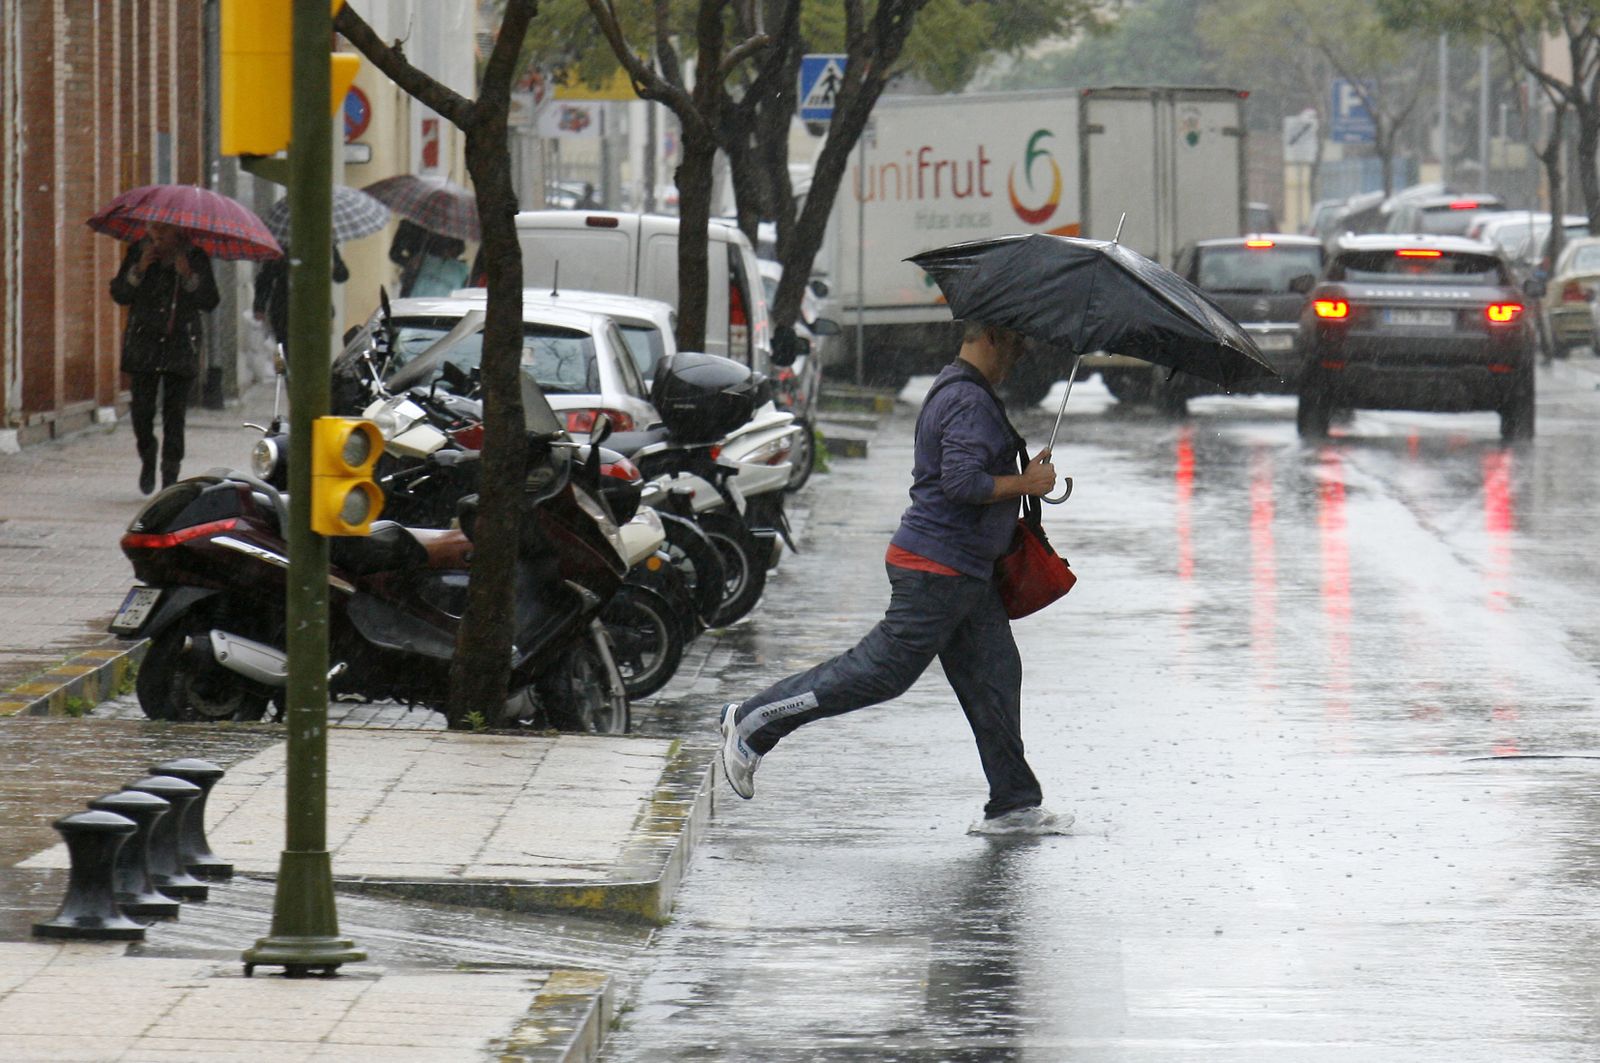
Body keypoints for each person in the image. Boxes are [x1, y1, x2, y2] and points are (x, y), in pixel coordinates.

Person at [717, 320, 1071, 836]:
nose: (1023, 349)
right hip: (939, 570)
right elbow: (961, 482)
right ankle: (753, 722)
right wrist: (1026, 482)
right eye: (1017, 339)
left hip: (964, 570)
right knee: (881, 673)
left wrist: (1021, 473)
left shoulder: (961, 388)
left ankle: (1014, 802)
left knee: (994, 678)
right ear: (990, 335)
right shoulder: (969, 400)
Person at [110, 222, 219, 494]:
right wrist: (139, 269)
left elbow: (210, 300)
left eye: (163, 231)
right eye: (153, 230)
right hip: (144, 343)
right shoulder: (139, 251)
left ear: (178, 232)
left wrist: (189, 276)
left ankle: (170, 474)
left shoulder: (194, 257)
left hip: (181, 345)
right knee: (142, 411)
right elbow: (120, 293)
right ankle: (148, 454)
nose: (156, 237)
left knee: (175, 415)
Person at [252, 244, 349, 361]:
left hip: (317, 311)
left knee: (314, 357)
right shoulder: (281, 247)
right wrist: (259, 306)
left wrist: (334, 267)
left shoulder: (325, 245)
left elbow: (342, 275)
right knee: (290, 356)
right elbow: (265, 278)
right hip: (285, 312)